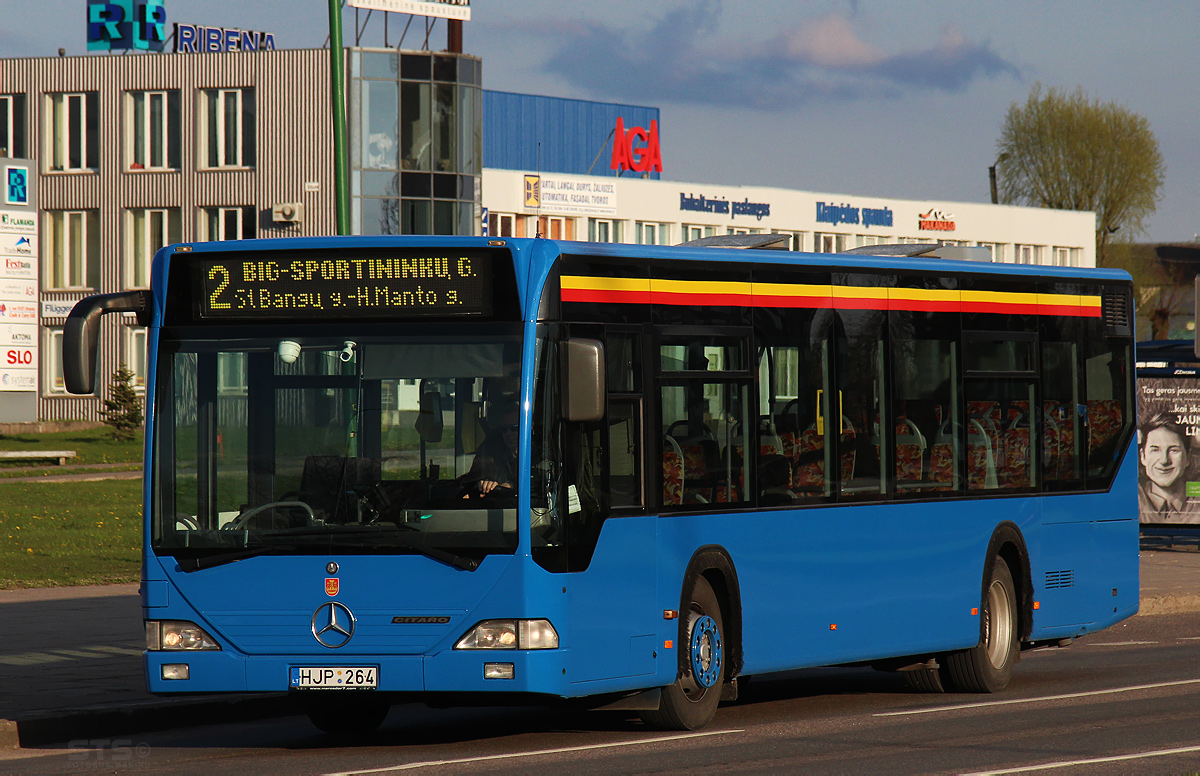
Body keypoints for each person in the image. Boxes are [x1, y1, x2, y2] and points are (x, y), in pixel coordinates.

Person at [1137, 412, 1200, 522]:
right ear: (1143, 456)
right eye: (1155, 450)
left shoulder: (1197, 501)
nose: (1164, 460)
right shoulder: (1131, 499)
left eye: (1174, 450)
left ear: (1188, 457)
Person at [463, 402, 519, 496]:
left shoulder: (538, 455)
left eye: (514, 428)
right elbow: (472, 480)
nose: (508, 433)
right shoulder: (491, 453)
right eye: (504, 429)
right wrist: (482, 484)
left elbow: (539, 485)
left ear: (529, 428)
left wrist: (511, 486)